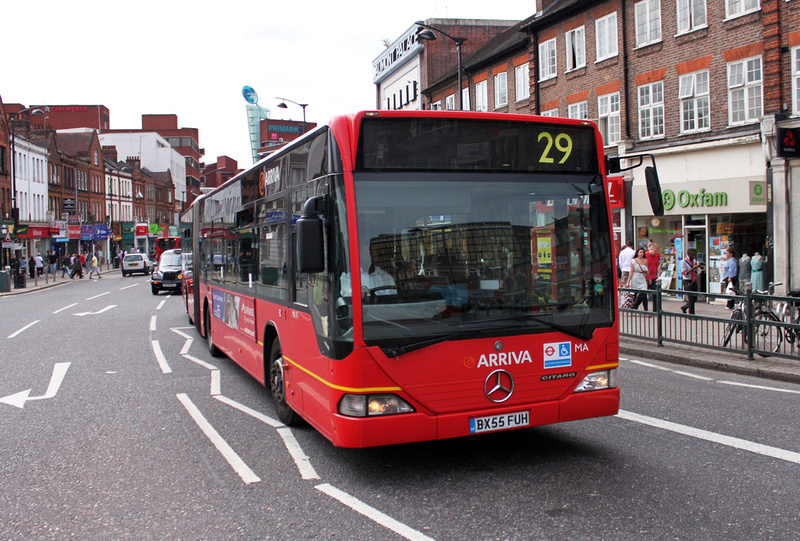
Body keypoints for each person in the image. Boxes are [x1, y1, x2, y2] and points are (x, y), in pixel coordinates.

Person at [626, 248, 651, 312]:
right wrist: (628, 282)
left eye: (642, 252)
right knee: (634, 294)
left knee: (643, 293)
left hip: (642, 277)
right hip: (635, 277)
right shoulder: (633, 261)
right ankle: (632, 309)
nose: (641, 254)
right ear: (637, 253)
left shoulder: (645, 260)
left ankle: (645, 310)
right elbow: (631, 271)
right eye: (640, 252)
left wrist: (649, 278)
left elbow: (647, 270)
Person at [680, 249, 702, 314]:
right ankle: (692, 314)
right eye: (692, 255)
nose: (693, 256)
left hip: (693, 280)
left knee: (695, 298)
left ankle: (684, 307)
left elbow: (695, 270)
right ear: (689, 254)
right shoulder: (683, 262)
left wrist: (698, 270)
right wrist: (693, 268)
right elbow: (684, 273)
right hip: (687, 281)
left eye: (694, 255)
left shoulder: (694, 261)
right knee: (691, 298)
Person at [645, 242, 661, 312]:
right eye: (655, 251)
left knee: (656, 293)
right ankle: (635, 307)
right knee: (642, 294)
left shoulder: (657, 255)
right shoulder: (645, 255)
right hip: (646, 276)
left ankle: (656, 309)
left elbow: (657, 263)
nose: (656, 253)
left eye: (656, 251)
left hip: (653, 276)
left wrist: (657, 271)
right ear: (650, 249)